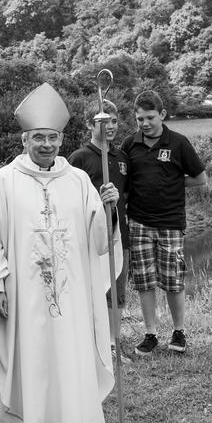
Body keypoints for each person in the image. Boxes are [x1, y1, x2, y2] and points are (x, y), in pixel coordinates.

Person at [0, 82, 121, 423]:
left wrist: (109, 209)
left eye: (53, 138)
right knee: (26, 355)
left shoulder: (79, 180)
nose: (47, 145)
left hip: (69, 297)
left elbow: (98, 241)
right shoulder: (4, 181)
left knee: (67, 354)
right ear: (24, 139)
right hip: (21, 293)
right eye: (39, 138)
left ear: (61, 139)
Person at [120, 90, 205, 355]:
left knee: (172, 280)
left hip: (170, 222)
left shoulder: (178, 143)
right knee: (144, 281)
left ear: (163, 115)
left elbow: (201, 179)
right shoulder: (129, 144)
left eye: (150, 118)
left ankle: (178, 332)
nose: (144, 124)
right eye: (139, 119)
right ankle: (150, 334)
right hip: (138, 222)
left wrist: (174, 184)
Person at [68, 97, 130, 309]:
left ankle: (112, 341)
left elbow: (127, 194)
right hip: (89, 239)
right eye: (104, 122)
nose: (110, 126)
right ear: (89, 124)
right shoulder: (79, 158)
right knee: (90, 296)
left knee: (116, 296)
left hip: (118, 236)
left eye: (114, 121)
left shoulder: (122, 157)